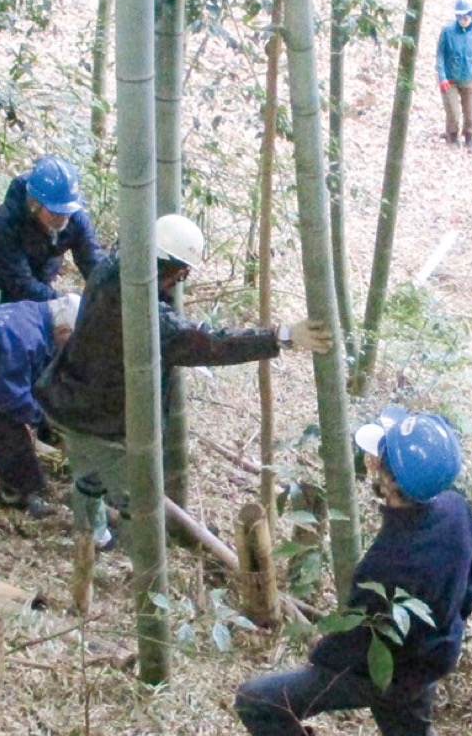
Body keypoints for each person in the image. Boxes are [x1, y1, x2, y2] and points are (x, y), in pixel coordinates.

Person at [235, 410, 472, 736]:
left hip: (380, 669)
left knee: (258, 700)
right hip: (433, 655)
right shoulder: (457, 509)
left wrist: (320, 659)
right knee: (410, 726)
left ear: (390, 482)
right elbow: (469, 585)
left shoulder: (389, 562)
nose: (373, 462)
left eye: (380, 460)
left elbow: (354, 645)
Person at [35, 213, 332, 551]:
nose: (180, 282)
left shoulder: (113, 265)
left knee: (89, 477)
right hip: (97, 418)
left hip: (67, 396)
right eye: (180, 273)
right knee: (137, 498)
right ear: (164, 266)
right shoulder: (141, 313)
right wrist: (283, 335)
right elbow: (209, 343)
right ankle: (138, 565)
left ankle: (90, 538)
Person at [0, 293, 80, 517]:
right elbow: (12, 398)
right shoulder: (23, 337)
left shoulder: (31, 313)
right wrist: (43, 421)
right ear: (64, 331)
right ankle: (19, 494)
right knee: (9, 430)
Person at [0, 154, 105, 308]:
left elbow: (93, 261)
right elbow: (20, 283)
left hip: (39, 288)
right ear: (34, 204)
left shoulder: (75, 219)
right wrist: (63, 301)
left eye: (67, 211)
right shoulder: (5, 223)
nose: (63, 218)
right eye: (55, 212)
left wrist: (111, 287)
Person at [435, 0, 472, 147]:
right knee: (453, 112)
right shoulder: (447, 31)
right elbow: (440, 54)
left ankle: (469, 136)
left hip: (469, 77)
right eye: (459, 16)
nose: (463, 19)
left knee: (470, 112)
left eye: (466, 15)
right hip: (450, 78)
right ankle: (452, 135)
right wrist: (442, 76)